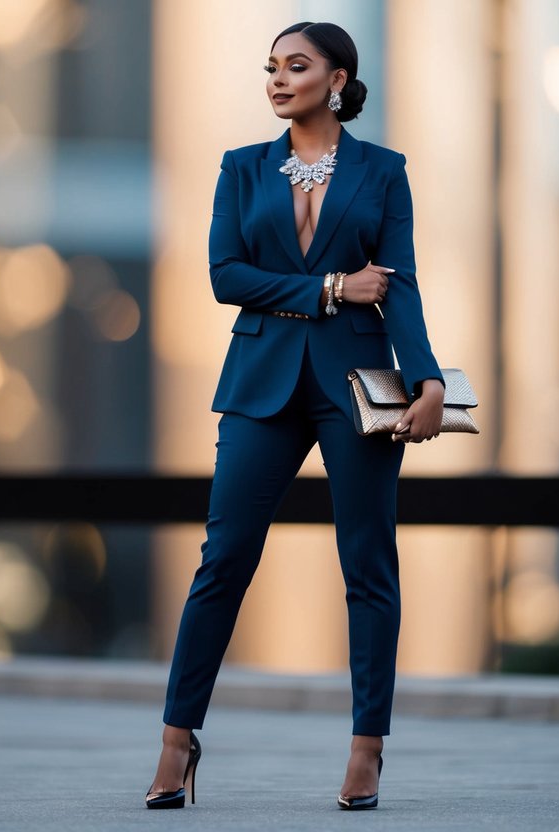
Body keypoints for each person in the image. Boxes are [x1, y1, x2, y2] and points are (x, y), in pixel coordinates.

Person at [145, 21, 444, 811]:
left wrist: (428, 379)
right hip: (259, 383)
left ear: (337, 80)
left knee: (367, 563)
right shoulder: (241, 169)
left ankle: (366, 751)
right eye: (270, 67)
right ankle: (177, 743)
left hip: (357, 382)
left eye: (296, 66)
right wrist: (329, 290)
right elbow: (224, 274)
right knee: (223, 561)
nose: (278, 79)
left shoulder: (383, 172)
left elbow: (400, 282)